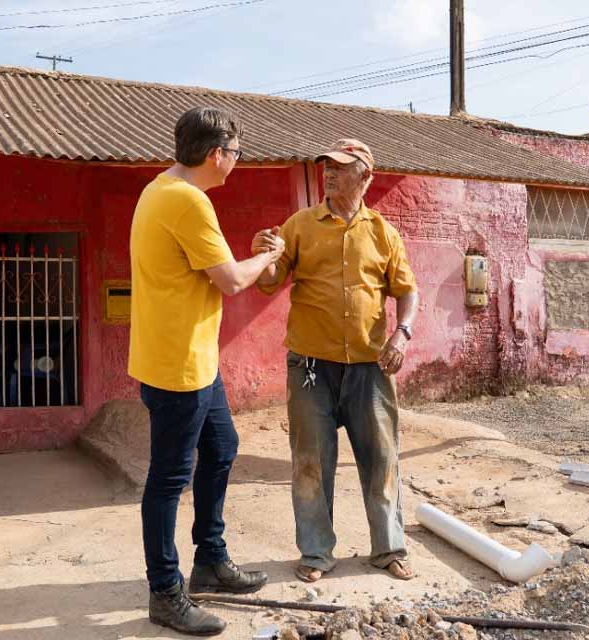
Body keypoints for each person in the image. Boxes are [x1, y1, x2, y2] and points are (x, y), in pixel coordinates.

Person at [128, 106, 282, 636]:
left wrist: (251, 255)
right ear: (216, 154)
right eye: (236, 153)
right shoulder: (189, 202)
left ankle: (210, 560)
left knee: (222, 448)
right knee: (168, 480)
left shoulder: (158, 189)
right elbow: (232, 282)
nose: (236, 162)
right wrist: (270, 256)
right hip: (179, 365)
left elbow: (205, 270)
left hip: (190, 356)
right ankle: (165, 592)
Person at [253, 139, 420, 583]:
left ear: (365, 175)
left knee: (382, 459)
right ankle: (315, 553)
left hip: (370, 366)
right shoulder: (300, 225)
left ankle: (388, 549)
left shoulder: (383, 231)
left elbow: (406, 291)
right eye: (326, 166)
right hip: (311, 367)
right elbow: (269, 282)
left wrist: (402, 334)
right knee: (311, 459)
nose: (328, 173)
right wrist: (263, 255)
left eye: (341, 167)